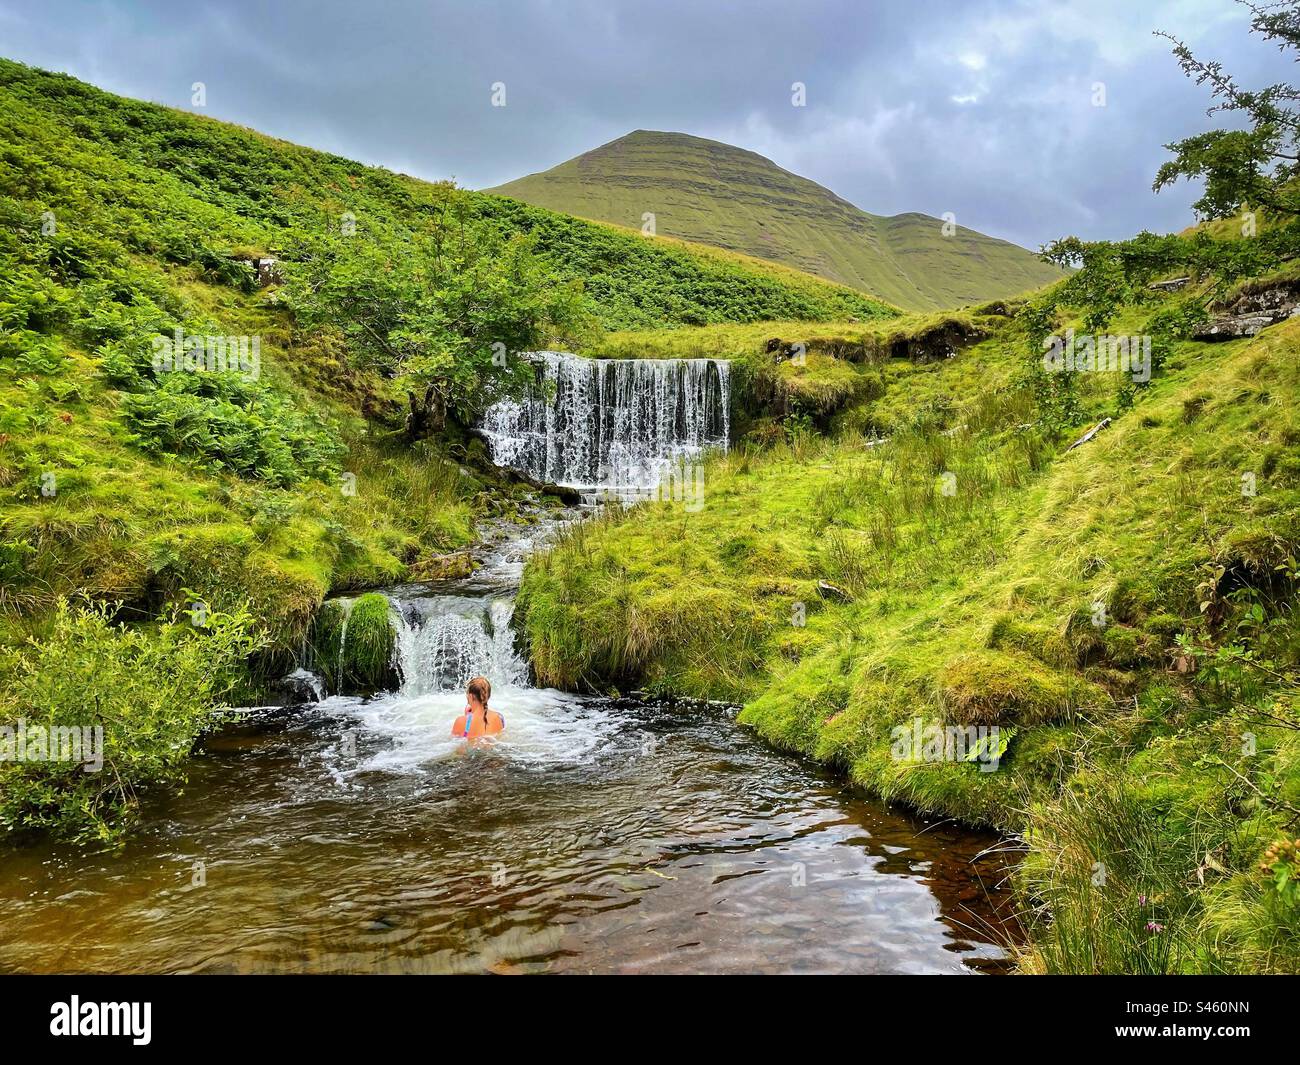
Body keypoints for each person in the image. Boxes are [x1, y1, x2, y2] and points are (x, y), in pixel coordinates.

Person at [451, 676, 505, 745]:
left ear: (470, 696)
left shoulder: (461, 721)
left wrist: (466, 718)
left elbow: (455, 744)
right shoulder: (497, 717)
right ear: (488, 696)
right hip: (491, 755)